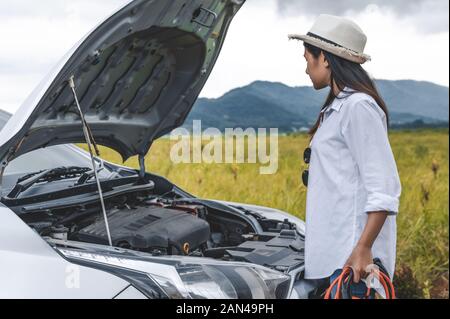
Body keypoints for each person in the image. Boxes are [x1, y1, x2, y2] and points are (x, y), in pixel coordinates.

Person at [289, 14, 402, 298]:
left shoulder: (358, 107)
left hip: (351, 263)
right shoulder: (339, 107)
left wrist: (363, 249)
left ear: (325, 58)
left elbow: (384, 188)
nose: (305, 69)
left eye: (307, 59)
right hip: (335, 258)